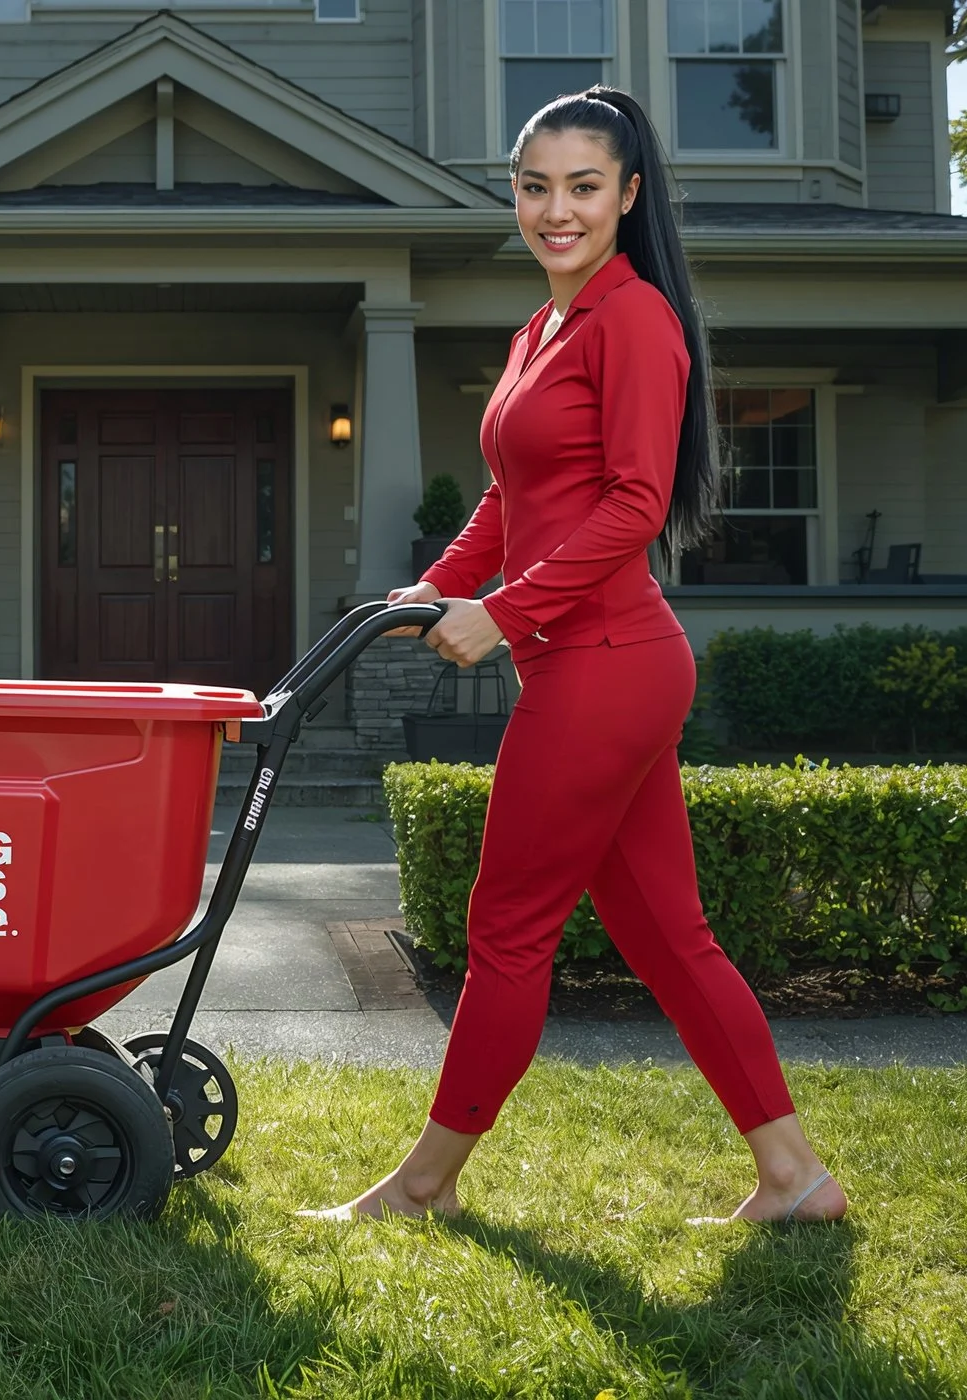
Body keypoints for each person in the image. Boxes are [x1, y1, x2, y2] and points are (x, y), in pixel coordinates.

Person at [304, 86, 846, 1226]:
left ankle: (424, 1184)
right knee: (666, 935)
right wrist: (441, 582)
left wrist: (501, 612)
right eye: (535, 186)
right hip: (594, 661)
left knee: (506, 929)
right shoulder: (539, 329)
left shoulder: (634, 318)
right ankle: (795, 1175)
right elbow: (516, 494)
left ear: (627, 195)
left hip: (606, 661)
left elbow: (634, 501)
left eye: (583, 187)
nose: (557, 209)